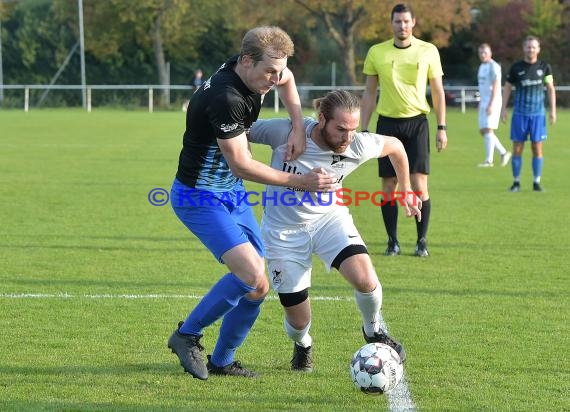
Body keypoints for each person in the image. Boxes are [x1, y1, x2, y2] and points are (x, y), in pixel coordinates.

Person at [167, 26, 336, 380]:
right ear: (246, 61)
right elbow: (241, 164)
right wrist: (301, 181)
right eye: (268, 72)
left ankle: (223, 361)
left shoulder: (257, 70)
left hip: (231, 194)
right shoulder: (226, 97)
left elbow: (288, 79)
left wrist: (295, 125)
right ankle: (186, 335)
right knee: (250, 273)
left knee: (259, 285)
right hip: (199, 196)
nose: (275, 79)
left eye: (278, 70)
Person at [248, 90, 422, 371]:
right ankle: (303, 344)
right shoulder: (285, 131)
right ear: (322, 119)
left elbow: (396, 146)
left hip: (329, 220)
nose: (347, 137)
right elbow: (240, 131)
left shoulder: (356, 145)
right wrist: (245, 155)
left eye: (352, 130)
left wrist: (405, 188)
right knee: (298, 322)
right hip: (283, 232)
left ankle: (373, 329)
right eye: (340, 129)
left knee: (365, 279)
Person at [360, 3, 447, 257]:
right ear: (392, 24)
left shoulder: (428, 51)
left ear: (414, 22)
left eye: (406, 21)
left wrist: (442, 127)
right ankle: (392, 241)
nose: (402, 26)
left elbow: (438, 91)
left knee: (420, 185)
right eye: (398, 22)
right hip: (387, 124)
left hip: (417, 123)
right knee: (388, 186)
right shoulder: (377, 52)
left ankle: (422, 241)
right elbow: (369, 92)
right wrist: (364, 129)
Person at [501, 35, 556, 192]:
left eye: (533, 47)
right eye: (528, 46)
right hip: (520, 114)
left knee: (537, 148)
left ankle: (536, 182)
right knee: (517, 148)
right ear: (523, 48)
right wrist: (503, 109)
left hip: (538, 115)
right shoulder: (516, 67)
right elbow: (507, 88)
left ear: (538, 49)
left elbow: (551, 89)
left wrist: (552, 111)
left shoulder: (545, 67)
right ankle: (516, 182)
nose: (530, 49)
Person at [476, 43, 511, 168]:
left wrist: (491, 103)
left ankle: (489, 161)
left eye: (485, 52)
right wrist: (481, 102)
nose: (482, 54)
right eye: (480, 52)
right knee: (483, 131)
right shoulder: (481, 66)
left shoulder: (493, 66)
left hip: (493, 101)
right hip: (484, 101)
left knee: (488, 129)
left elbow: (496, 86)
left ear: (490, 53)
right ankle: (503, 152)